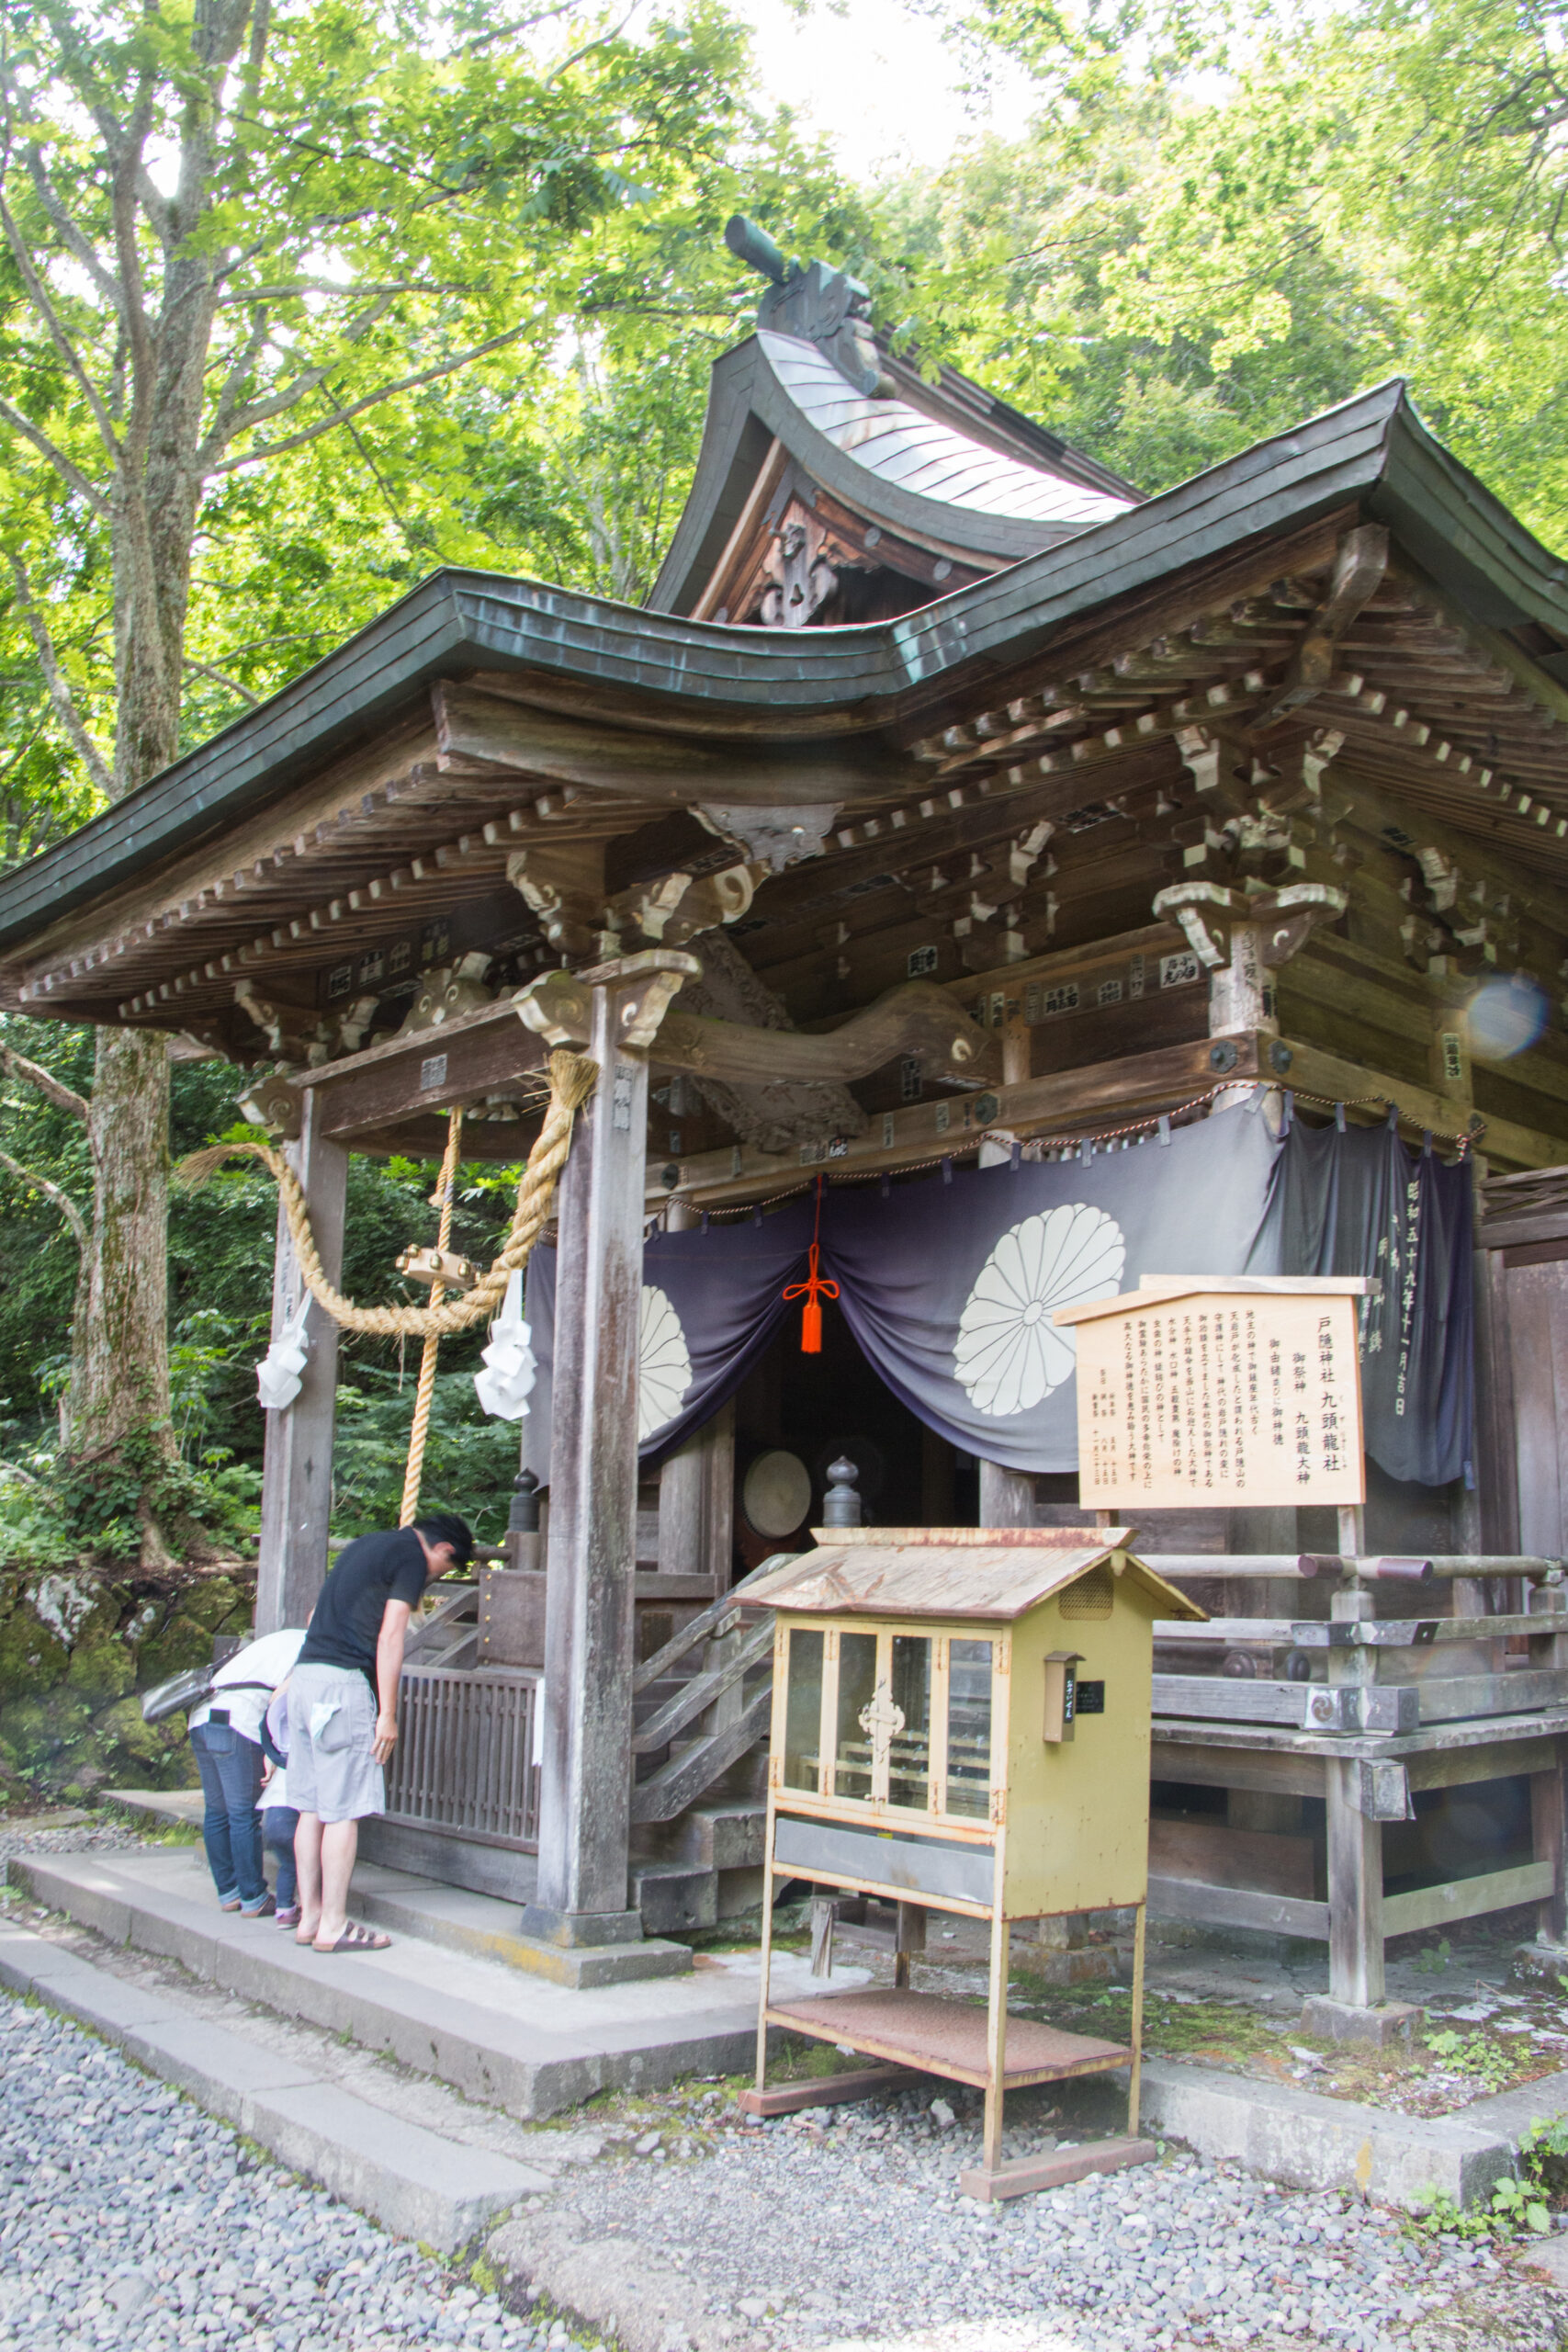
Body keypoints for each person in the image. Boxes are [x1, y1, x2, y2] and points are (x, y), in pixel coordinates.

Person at [290, 1513, 474, 1954]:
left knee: (310, 1807)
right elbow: (391, 1636)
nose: (433, 1580)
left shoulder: (364, 1544)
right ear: (445, 1550)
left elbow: (316, 1613)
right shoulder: (412, 1557)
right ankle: (333, 1924)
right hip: (342, 1685)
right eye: (445, 1571)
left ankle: (309, 1915)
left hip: (305, 1676)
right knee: (343, 1810)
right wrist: (387, 1713)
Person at [187, 1624, 307, 1917]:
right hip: (237, 1720)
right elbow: (281, 1699)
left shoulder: (280, 1639)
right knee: (244, 1812)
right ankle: (253, 1896)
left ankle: (229, 1893)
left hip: (202, 1717)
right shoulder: (312, 1646)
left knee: (217, 1810)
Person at [258, 1684, 300, 1928]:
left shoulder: (279, 1749)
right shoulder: (303, 1751)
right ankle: (307, 1906)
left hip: (271, 1819)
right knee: (303, 1863)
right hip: (290, 1818)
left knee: (287, 1865)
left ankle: (284, 1910)